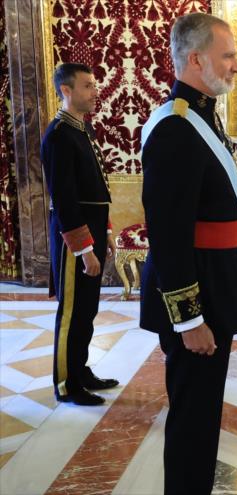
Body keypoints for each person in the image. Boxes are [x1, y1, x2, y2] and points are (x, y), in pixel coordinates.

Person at [139, 12, 237, 494]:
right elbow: (167, 235)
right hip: (194, 295)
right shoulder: (175, 127)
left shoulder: (203, 114)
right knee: (192, 418)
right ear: (196, 58)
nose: (236, 66)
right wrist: (188, 319)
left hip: (214, 284)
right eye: (228, 56)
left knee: (204, 415)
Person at [40, 62, 119, 406]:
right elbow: (65, 199)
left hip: (94, 233)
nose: (95, 91)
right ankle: (66, 383)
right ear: (67, 90)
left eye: (94, 85)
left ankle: (80, 369)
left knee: (88, 309)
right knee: (72, 313)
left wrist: (109, 230)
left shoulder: (83, 130)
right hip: (75, 240)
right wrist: (84, 247)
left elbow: (95, 188)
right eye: (87, 86)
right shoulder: (59, 134)